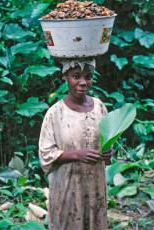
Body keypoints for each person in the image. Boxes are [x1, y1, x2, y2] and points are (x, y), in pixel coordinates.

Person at [38, 59, 113, 230]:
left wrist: (108, 152)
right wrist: (76, 155)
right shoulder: (55, 113)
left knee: (94, 222)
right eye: (76, 76)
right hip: (67, 186)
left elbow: (107, 139)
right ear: (65, 77)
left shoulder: (99, 107)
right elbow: (46, 153)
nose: (83, 82)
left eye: (89, 77)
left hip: (95, 184)